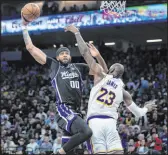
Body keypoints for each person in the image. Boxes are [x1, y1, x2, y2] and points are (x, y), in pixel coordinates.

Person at [21, 13, 108, 154]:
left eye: (67, 53)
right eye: (61, 54)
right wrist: (24, 28)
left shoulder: (79, 67)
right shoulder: (54, 66)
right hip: (64, 110)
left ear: (70, 56)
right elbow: (31, 48)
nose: (65, 55)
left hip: (77, 111)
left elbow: (103, 71)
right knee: (86, 132)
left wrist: (97, 56)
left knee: (74, 151)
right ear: (57, 57)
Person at [65, 24, 157, 154]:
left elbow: (85, 52)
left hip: (95, 122)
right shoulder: (123, 91)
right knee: (117, 152)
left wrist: (77, 33)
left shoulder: (100, 76)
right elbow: (138, 113)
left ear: (112, 70)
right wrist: (147, 107)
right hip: (110, 124)